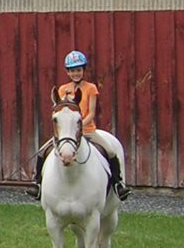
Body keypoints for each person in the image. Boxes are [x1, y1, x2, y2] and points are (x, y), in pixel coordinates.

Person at [26, 50, 131, 201]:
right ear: (68, 72)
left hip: (88, 131)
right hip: (67, 133)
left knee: (111, 151)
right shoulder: (63, 89)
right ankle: (37, 184)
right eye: (72, 71)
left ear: (83, 70)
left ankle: (118, 184)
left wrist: (79, 126)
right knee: (42, 151)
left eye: (78, 70)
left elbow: (92, 113)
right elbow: (62, 112)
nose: (76, 73)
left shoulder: (91, 88)